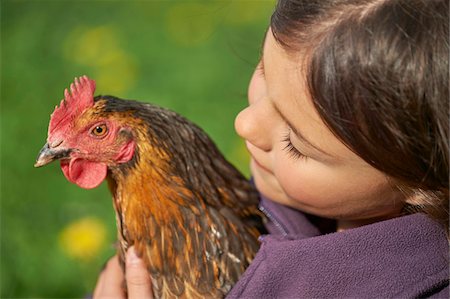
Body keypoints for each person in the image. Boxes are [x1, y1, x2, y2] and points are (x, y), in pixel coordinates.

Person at [94, 0, 449, 297]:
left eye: (295, 142)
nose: (245, 123)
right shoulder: (261, 203)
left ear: (422, 181)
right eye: (263, 73)